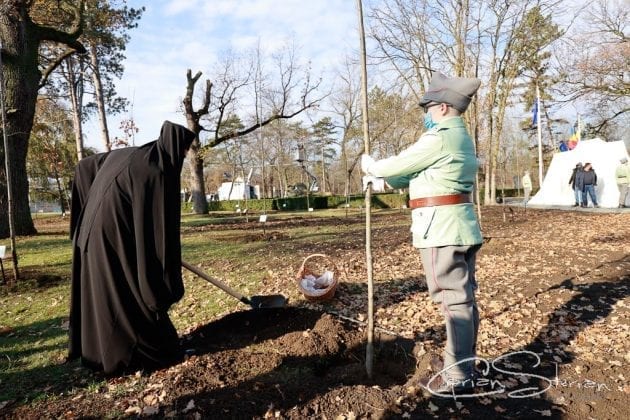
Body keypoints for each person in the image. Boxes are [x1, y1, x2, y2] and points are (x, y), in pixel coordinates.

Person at [362, 72, 482, 394]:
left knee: (453, 303)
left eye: (428, 108)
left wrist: (372, 166)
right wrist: (383, 182)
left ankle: (458, 375)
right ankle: (464, 365)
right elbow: (418, 173)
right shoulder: (459, 138)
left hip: (440, 229)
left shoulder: (440, 136)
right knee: (463, 300)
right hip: (459, 227)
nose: (426, 115)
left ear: (442, 107)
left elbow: (401, 163)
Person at [68, 121, 196, 375]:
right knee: (124, 293)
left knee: (113, 290)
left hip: (93, 232)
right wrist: (164, 278)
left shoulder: (130, 154)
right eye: (184, 153)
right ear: (174, 149)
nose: (183, 158)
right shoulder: (155, 170)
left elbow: (85, 166)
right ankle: (136, 355)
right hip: (111, 237)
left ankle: (100, 354)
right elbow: (160, 228)